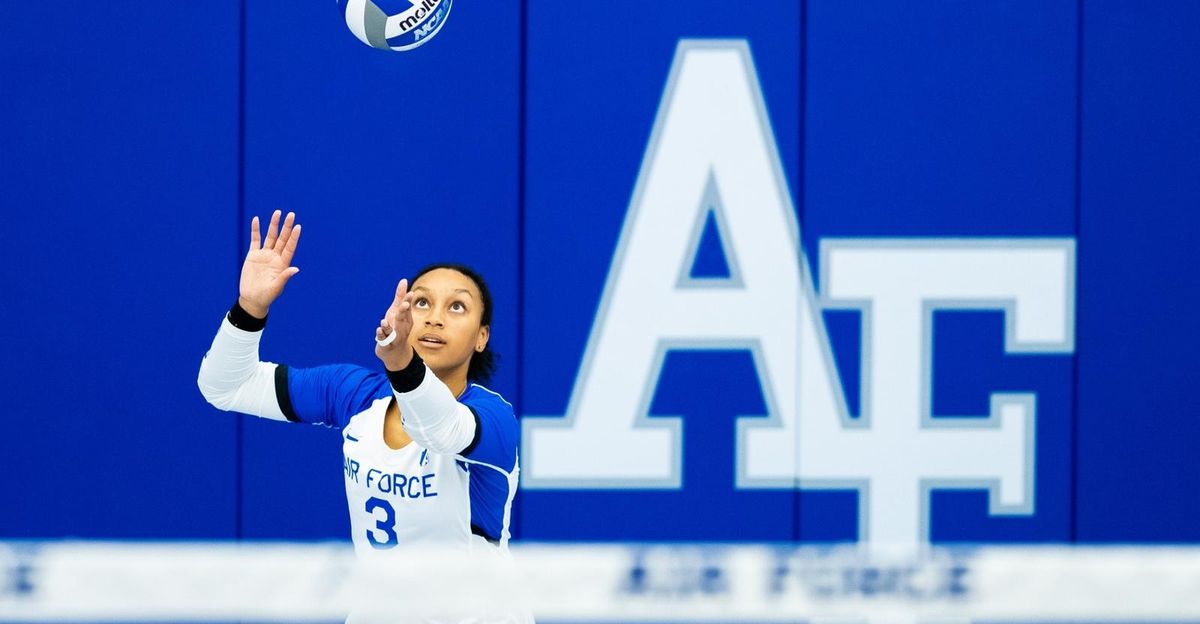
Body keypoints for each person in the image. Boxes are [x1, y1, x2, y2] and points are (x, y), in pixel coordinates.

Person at [197, 211, 520, 555]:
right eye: (422, 301)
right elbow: (226, 387)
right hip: (374, 609)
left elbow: (438, 430)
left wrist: (401, 364)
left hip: (475, 611)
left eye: (457, 307)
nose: (435, 319)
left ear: (481, 337)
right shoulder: (353, 395)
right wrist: (250, 308)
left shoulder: (493, 418)